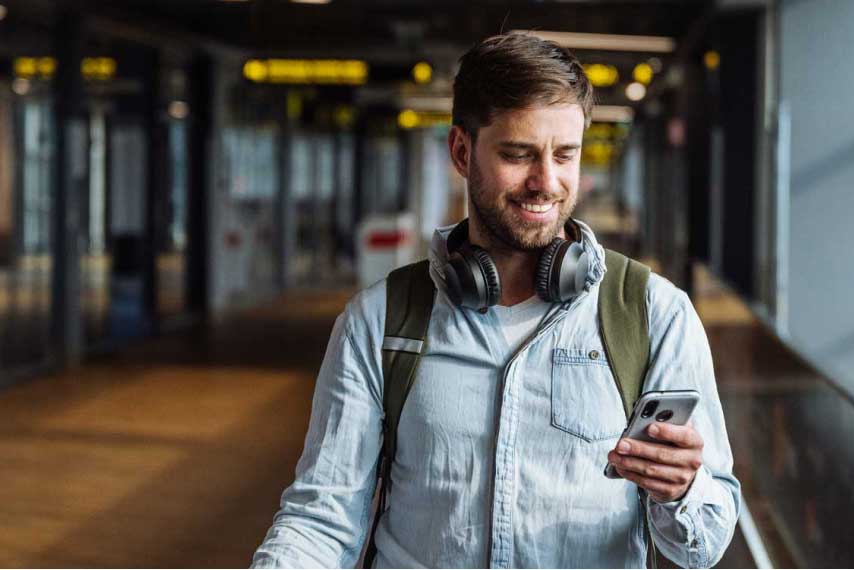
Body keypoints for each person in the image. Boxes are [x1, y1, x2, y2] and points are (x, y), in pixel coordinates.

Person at [252, 32, 739, 569]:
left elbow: (704, 547)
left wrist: (681, 492)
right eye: (518, 154)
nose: (546, 182)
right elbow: (323, 517)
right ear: (462, 151)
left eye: (565, 155)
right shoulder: (379, 320)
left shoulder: (655, 316)